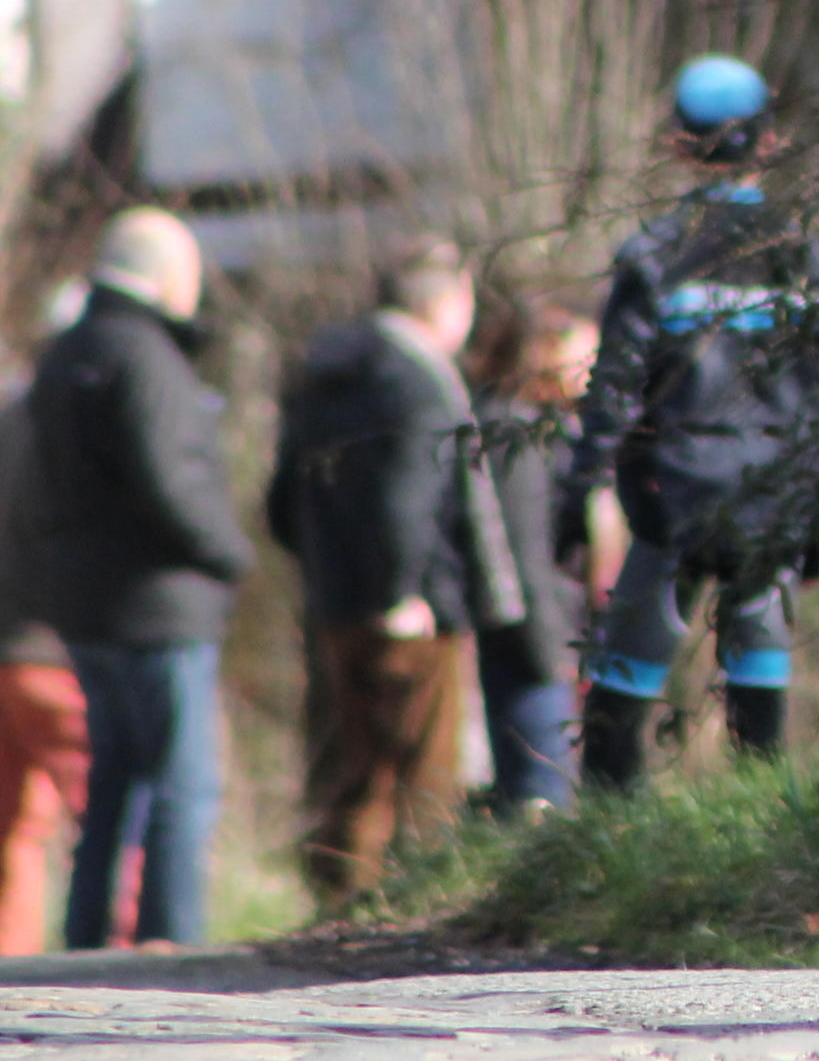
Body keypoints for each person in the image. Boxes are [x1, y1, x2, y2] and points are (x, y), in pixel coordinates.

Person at [561, 55, 819, 787]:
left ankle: (605, 821)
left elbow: (615, 387)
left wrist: (578, 493)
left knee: (628, 664)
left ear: (676, 145)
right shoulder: (809, 259)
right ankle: (762, 819)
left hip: (671, 496)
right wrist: (816, 517)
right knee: (759, 660)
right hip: (772, 494)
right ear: (770, 142)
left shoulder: (654, 255)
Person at [268, 239, 525, 906]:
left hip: (336, 605)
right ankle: (414, 909)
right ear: (443, 303)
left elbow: (282, 501)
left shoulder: (323, 376)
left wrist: (329, 573)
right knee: (424, 775)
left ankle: (337, 909)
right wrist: (401, 592)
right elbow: (405, 501)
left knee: (357, 771)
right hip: (413, 609)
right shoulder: (417, 380)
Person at [24, 208, 252, 949]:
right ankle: (169, 943)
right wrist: (229, 553)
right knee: (183, 789)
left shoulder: (63, 354)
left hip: (85, 607)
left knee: (113, 789)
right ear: (167, 277)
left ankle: (86, 941)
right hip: (162, 606)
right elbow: (169, 481)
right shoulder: (148, 357)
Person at [466, 297, 603, 816]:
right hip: (533, 644)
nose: (594, 375)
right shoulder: (512, 434)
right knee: (541, 797)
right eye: (584, 359)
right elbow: (523, 555)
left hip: (547, 631)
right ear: (544, 357)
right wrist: (552, 654)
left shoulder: (545, 429)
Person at [0, 355, 89, 955]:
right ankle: (123, 949)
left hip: (9, 647)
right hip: (56, 651)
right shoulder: (67, 428)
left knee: (16, 830)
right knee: (105, 814)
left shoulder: (11, 419)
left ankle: (12, 956)